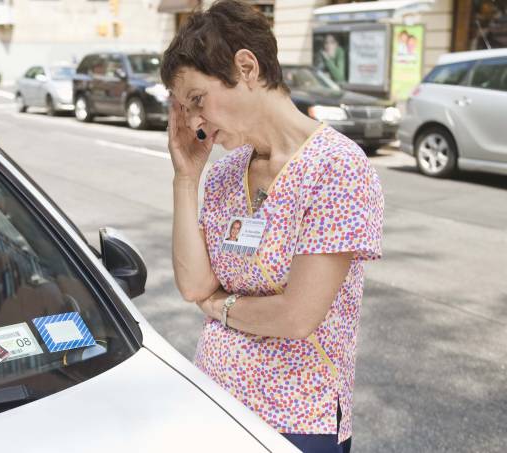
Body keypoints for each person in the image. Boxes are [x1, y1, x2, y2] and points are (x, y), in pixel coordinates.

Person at [160, 1, 384, 452]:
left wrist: (220, 308)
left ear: (246, 67)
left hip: (296, 420)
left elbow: (296, 316)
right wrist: (186, 178)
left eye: (198, 101)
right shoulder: (226, 172)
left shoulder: (336, 167)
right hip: (214, 401)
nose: (194, 122)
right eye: (185, 109)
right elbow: (194, 285)